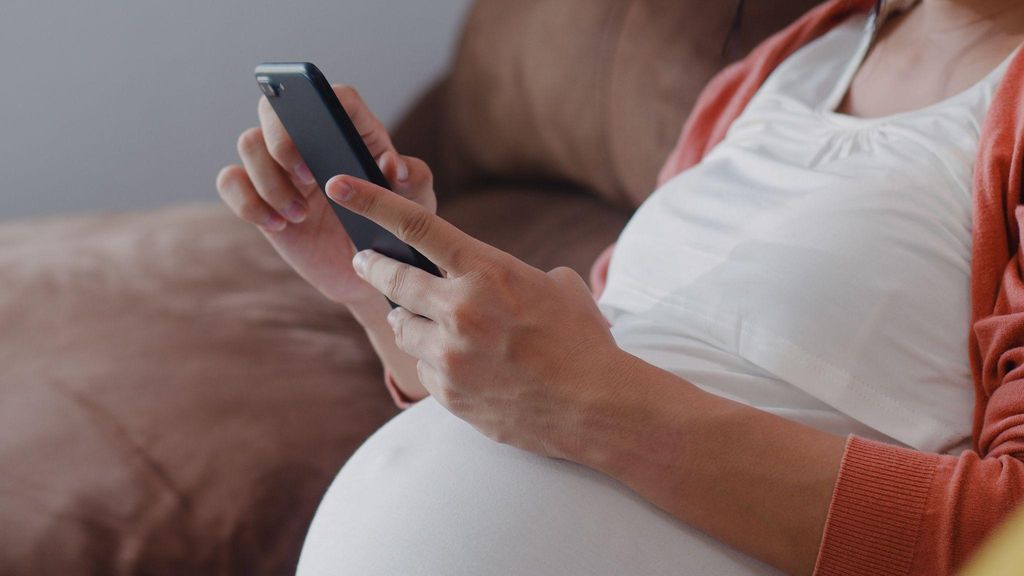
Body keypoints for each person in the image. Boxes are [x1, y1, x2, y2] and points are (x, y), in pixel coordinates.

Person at [215, 0, 1024, 574]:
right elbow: (550, 386)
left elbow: (1008, 536)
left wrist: (591, 400)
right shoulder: (778, 70)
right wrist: (372, 287)